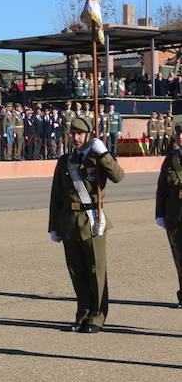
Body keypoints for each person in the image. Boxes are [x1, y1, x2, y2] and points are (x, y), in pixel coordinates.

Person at [49, 116, 125, 333]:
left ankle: (98, 315)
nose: (76, 137)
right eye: (73, 133)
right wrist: (53, 226)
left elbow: (119, 176)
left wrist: (104, 154)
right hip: (69, 223)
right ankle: (82, 313)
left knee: (96, 271)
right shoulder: (65, 161)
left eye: (80, 133)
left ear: (89, 135)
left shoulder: (98, 158)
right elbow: (56, 196)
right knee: (77, 271)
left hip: (92, 221)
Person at [156, 119, 182, 308]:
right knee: (179, 257)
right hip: (175, 214)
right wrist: (159, 214)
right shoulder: (170, 158)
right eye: (178, 134)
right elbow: (162, 188)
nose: (180, 137)